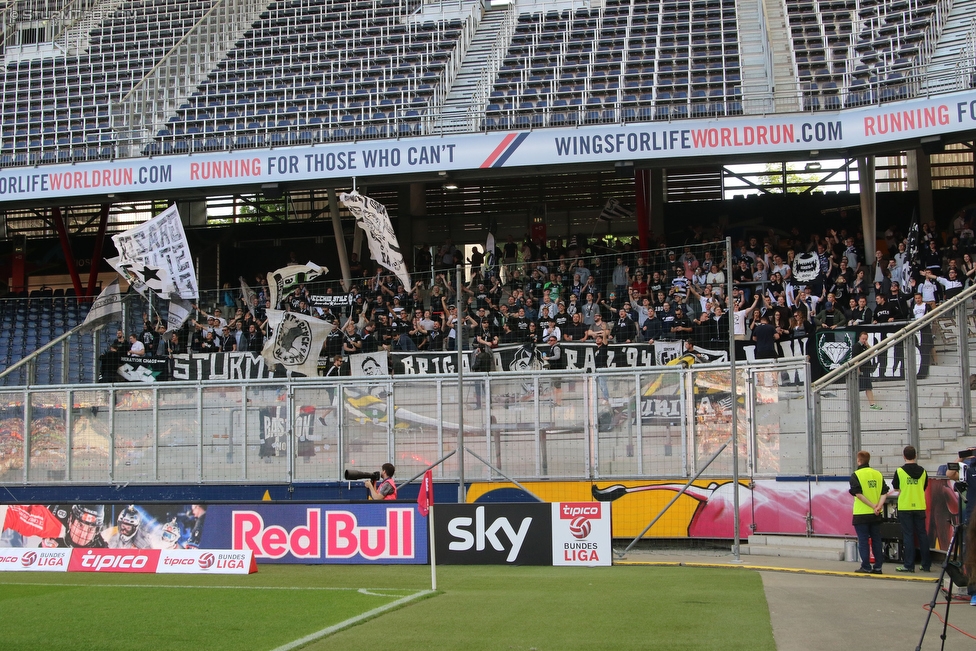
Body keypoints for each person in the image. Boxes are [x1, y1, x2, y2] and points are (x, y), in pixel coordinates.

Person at [891, 445, 931, 573]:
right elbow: (924, 487)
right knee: (922, 535)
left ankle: (909, 565)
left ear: (904, 456)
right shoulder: (923, 471)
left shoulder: (899, 471)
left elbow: (896, 487)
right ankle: (926, 564)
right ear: (916, 455)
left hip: (905, 505)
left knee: (908, 535)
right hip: (919, 505)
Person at [849, 450, 890, 574]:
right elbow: (884, 492)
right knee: (877, 540)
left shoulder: (856, 475)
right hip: (876, 514)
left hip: (861, 513)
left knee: (863, 541)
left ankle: (866, 566)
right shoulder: (877, 474)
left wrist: (872, 506)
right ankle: (878, 567)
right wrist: (878, 506)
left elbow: (858, 494)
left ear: (858, 460)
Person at [853, 331, 881, 410]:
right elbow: (855, 358)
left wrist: (868, 345)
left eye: (865, 339)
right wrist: (857, 368)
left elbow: (872, 353)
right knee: (859, 387)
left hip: (866, 369)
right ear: (859, 338)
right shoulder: (857, 346)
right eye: (863, 339)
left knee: (868, 387)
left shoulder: (865, 346)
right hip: (861, 369)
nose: (864, 340)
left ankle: (872, 404)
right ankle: (856, 405)